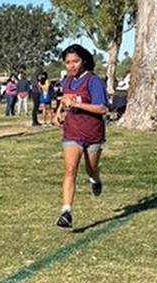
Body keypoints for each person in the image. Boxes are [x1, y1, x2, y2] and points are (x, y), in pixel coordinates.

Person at [54, 44, 109, 229]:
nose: (71, 65)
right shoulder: (67, 81)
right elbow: (65, 98)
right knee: (70, 170)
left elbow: (102, 108)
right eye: (68, 62)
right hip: (72, 132)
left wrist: (78, 106)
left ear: (83, 61)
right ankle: (66, 212)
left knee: (91, 168)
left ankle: (95, 179)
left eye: (75, 61)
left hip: (93, 133)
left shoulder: (93, 81)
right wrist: (59, 112)